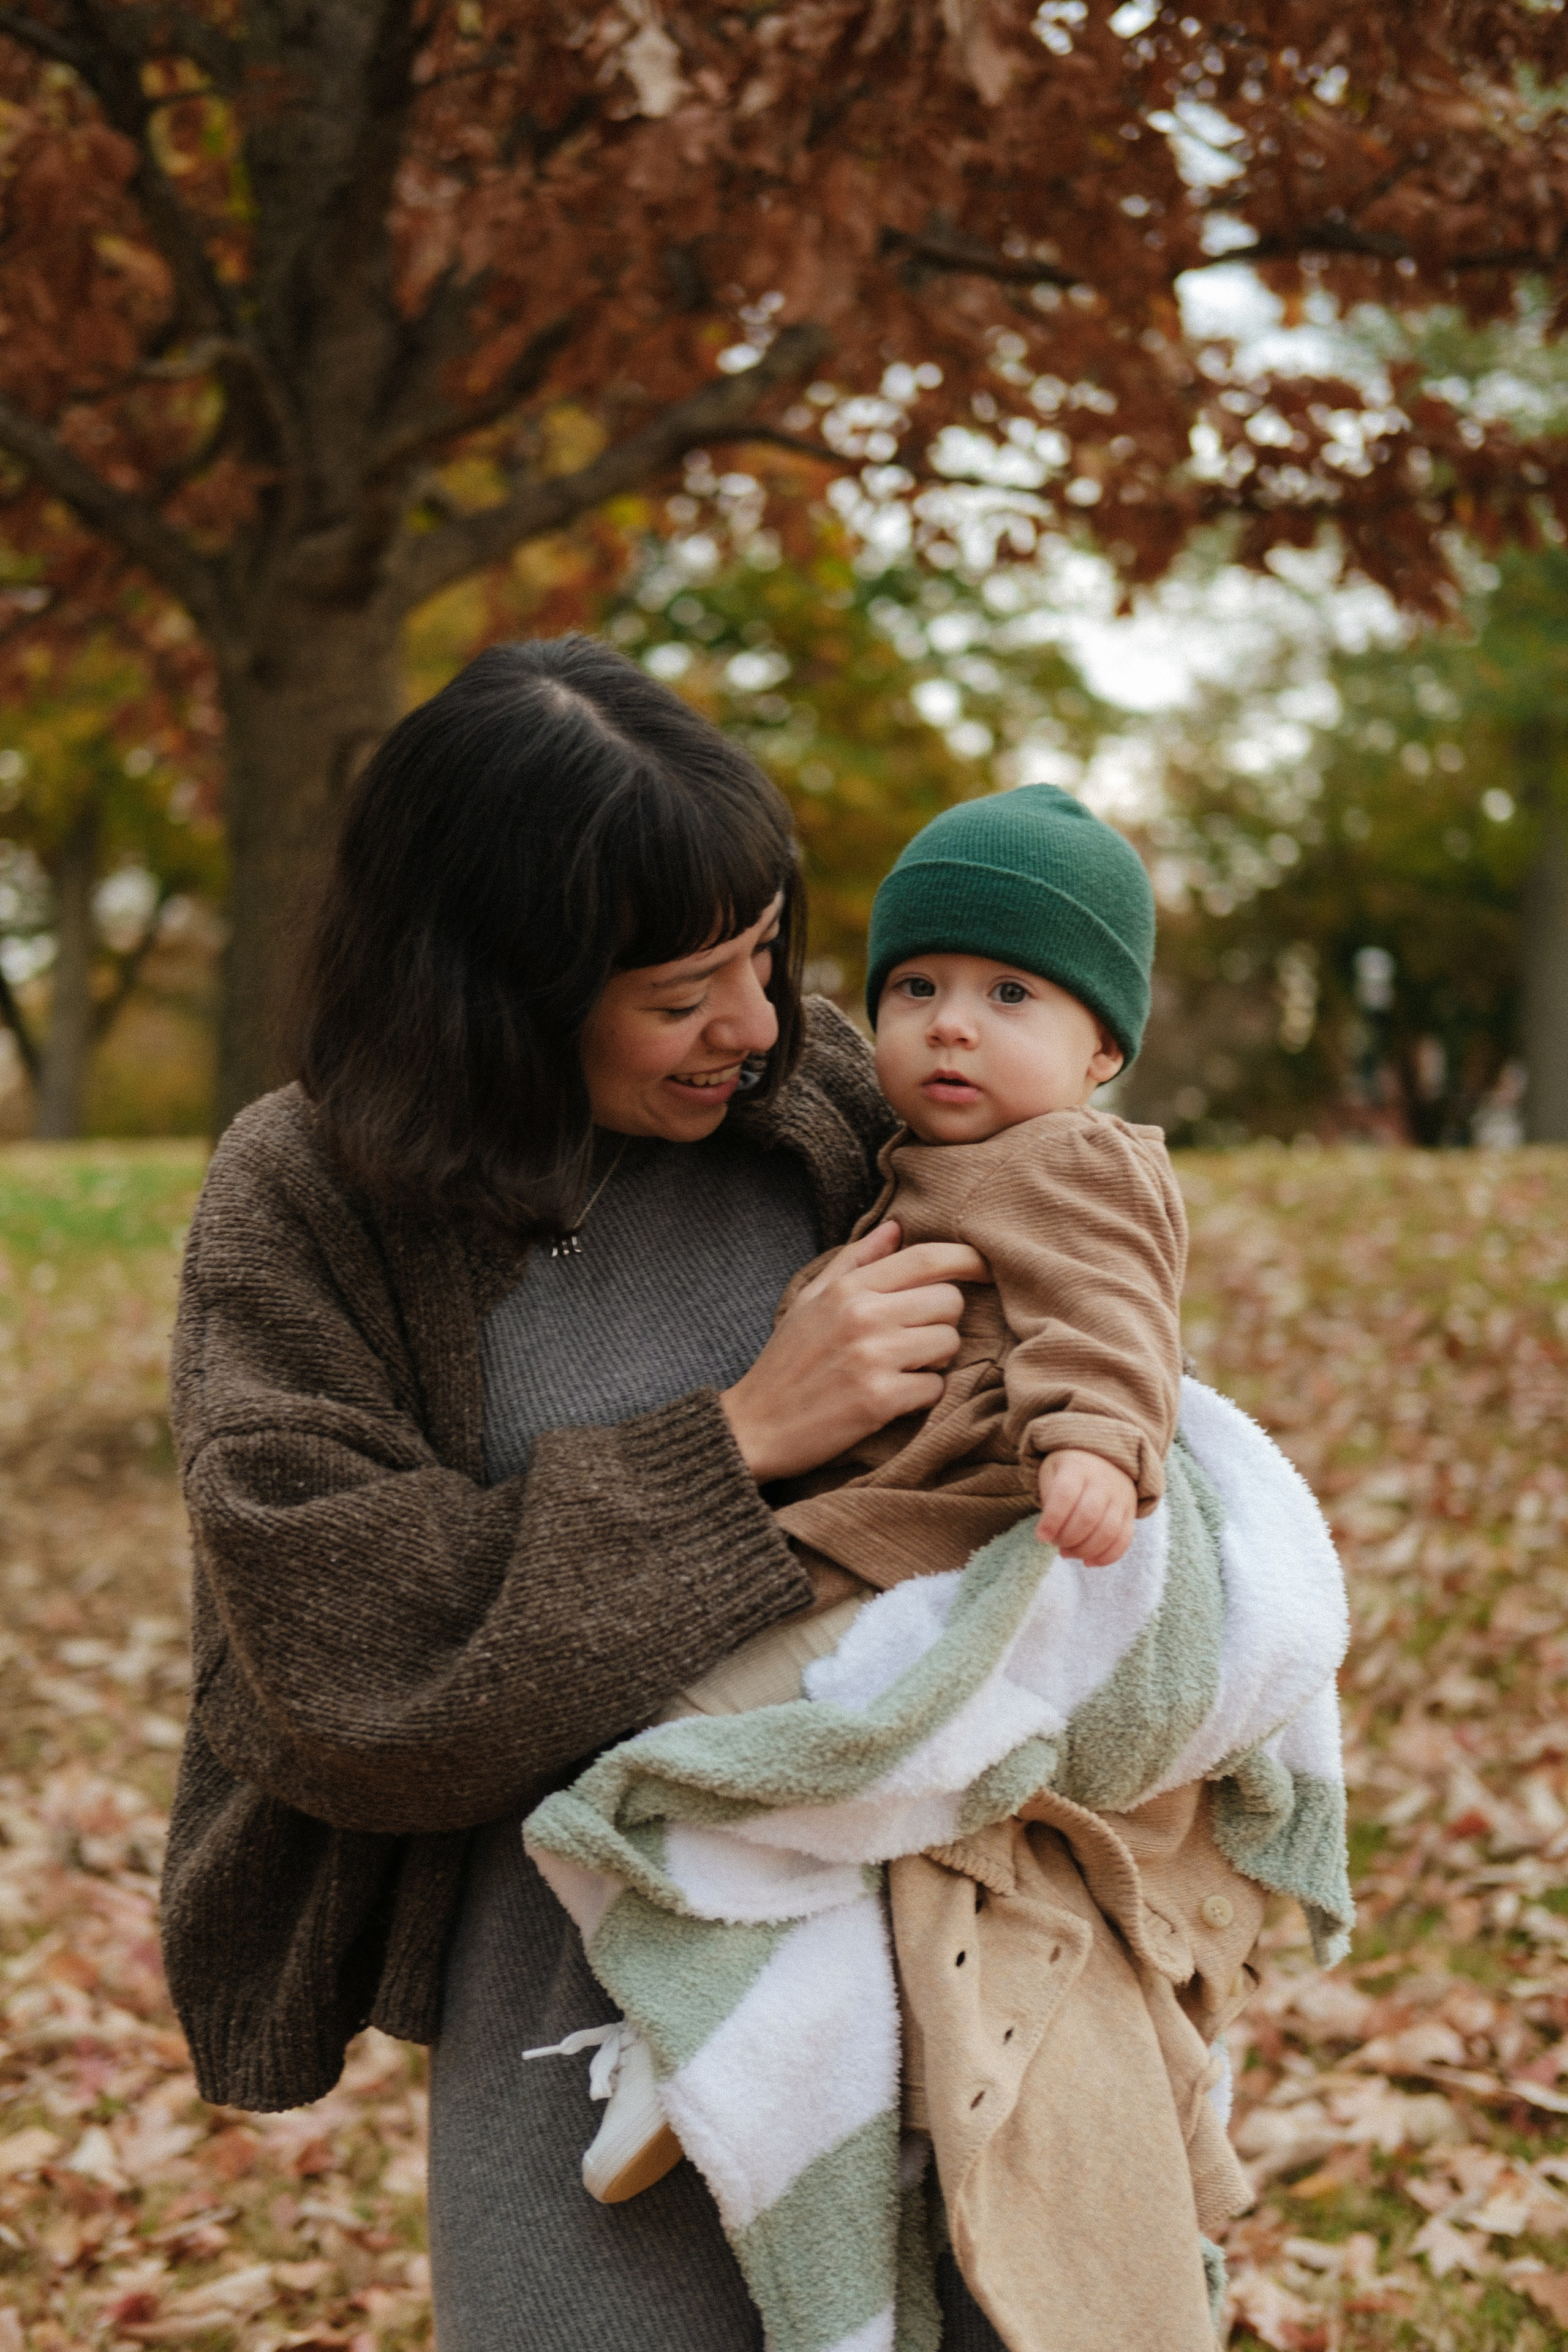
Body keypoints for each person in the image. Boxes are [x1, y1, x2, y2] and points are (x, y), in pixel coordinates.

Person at [159, 634, 1010, 2352]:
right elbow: (335, 1643)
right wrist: (738, 1437)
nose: (755, 1025)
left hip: (938, 1949)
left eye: (766, 951)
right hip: (580, 2008)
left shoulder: (829, 1106)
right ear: (496, 986)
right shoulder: (312, 1198)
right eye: (683, 988)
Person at [529, 786, 1189, 2200]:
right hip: (883, 1528)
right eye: (916, 985)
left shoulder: (1067, 1161)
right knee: (742, 1772)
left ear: (1101, 1051)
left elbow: (1111, 1319)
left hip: (947, 1534)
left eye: (1009, 991)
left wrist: (1090, 1445)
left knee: (692, 1743)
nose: (950, 1021)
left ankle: (717, 2025)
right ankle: (742, 2021)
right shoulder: (927, 1157)